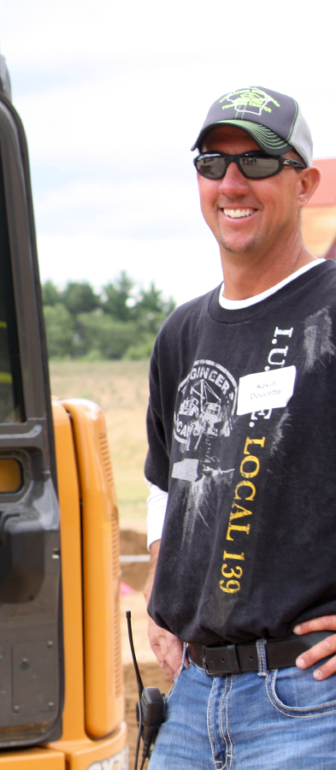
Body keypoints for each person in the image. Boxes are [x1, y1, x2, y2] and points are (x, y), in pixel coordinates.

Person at [142, 86, 336, 767]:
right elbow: (168, 478)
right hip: (194, 699)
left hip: (309, 702)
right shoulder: (182, 332)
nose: (231, 183)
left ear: (304, 184)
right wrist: (163, 583)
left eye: (257, 162)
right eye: (212, 163)